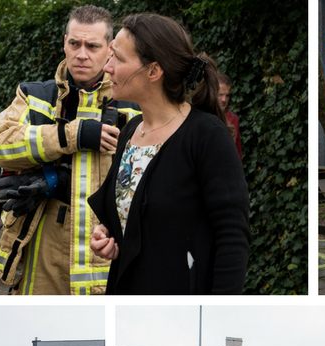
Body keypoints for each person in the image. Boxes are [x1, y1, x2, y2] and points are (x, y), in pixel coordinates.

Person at [88, 13, 251, 294]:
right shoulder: (131, 131)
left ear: (153, 71)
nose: (108, 67)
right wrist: (109, 233)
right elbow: (140, 217)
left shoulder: (207, 136)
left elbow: (233, 239)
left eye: (118, 58)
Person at [0, 5, 140, 295]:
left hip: (106, 249)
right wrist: (74, 134)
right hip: (42, 244)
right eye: (74, 44)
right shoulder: (35, 96)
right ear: (64, 43)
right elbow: (1, 145)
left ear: (110, 50)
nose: (81, 54)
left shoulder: (132, 105)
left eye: (92, 46)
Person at [216, 73, 242, 159]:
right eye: (220, 94)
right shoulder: (202, 116)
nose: (224, 99)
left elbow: (237, 154)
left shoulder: (233, 119)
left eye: (227, 95)